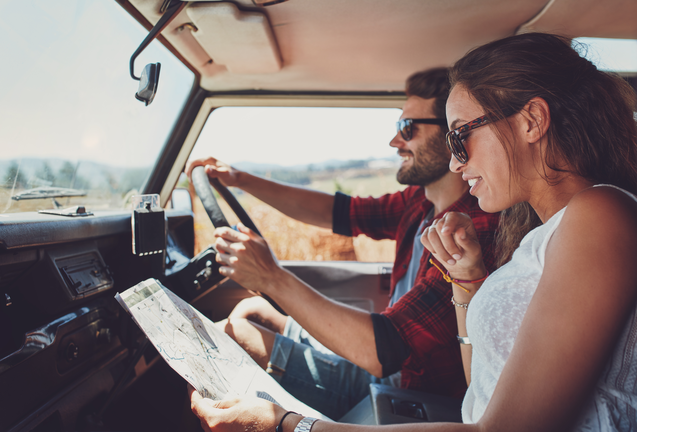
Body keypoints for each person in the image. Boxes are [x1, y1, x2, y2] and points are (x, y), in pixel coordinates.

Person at [189, 32, 637, 432]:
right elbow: (480, 379)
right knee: (246, 319)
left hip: (416, 392)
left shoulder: (597, 214)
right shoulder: (537, 230)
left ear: (531, 122)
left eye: (460, 136)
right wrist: (468, 280)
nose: (456, 161)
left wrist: (290, 426)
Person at [185, 68, 501, 420]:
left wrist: (271, 276)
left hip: (406, 387)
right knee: (248, 311)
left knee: (234, 333)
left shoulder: (470, 231)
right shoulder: (419, 203)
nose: (395, 142)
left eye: (407, 129)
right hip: (391, 361)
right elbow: (337, 211)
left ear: (450, 136)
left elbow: (384, 352)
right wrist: (239, 179)